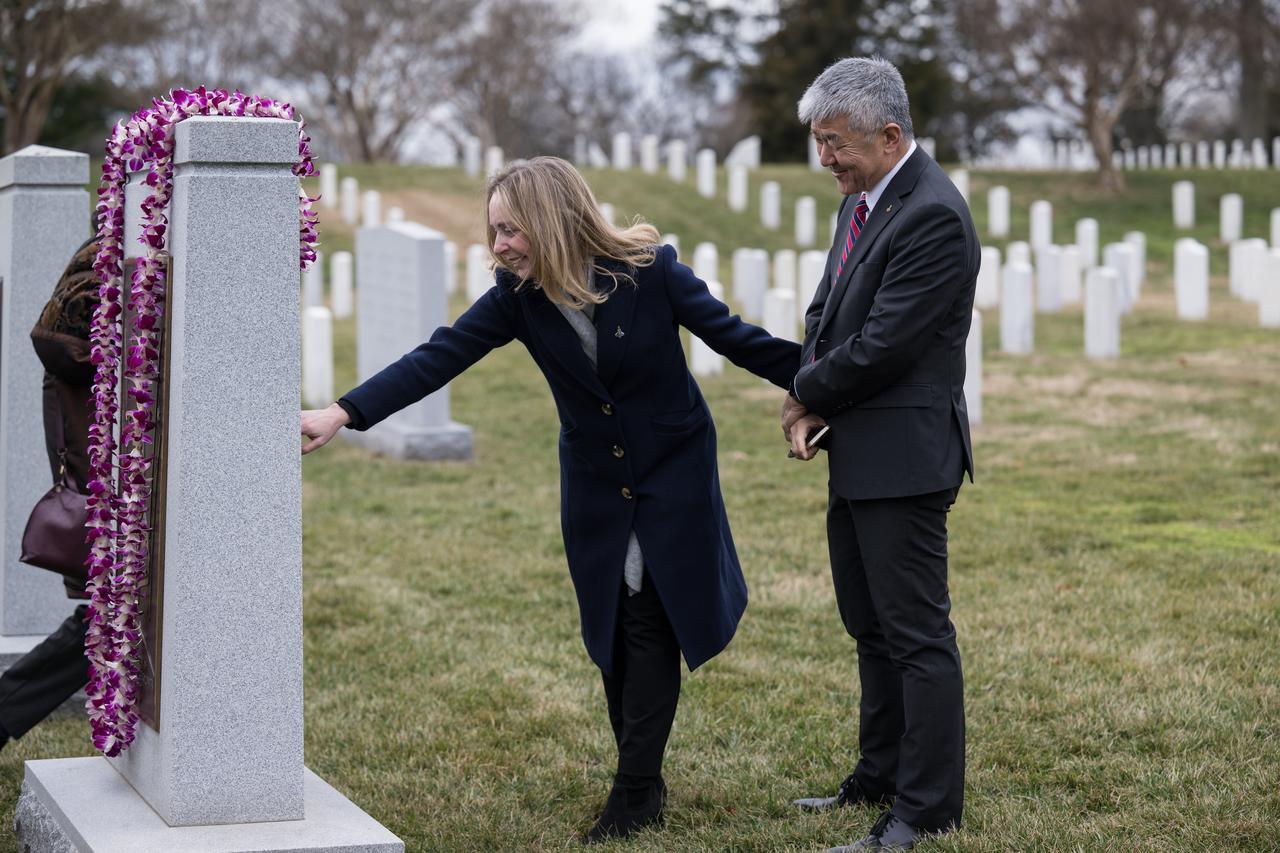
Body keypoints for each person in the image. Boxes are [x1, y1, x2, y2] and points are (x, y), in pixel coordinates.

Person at [300, 156, 801, 843]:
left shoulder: (652, 272)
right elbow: (437, 356)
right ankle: (644, 775)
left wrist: (831, 380)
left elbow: (740, 339)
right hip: (596, 483)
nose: (500, 245)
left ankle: (632, 793)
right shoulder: (516, 296)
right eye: (495, 230)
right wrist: (344, 411)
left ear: (554, 219)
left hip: (672, 473)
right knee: (611, 630)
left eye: (512, 229)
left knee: (652, 615)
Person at [781, 57, 978, 852]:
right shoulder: (862, 199)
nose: (824, 157)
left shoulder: (931, 213)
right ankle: (879, 774)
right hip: (858, 448)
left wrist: (806, 392)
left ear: (890, 134)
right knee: (869, 625)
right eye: (819, 141)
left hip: (903, 454)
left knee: (915, 634)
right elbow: (828, 310)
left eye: (836, 142)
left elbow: (886, 344)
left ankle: (925, 810)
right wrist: (810, 383)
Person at [0, 237, 100, 751]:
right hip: (108, 457)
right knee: (106, 614)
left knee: (105, 615)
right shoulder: (106, 257)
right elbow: (57, 342)